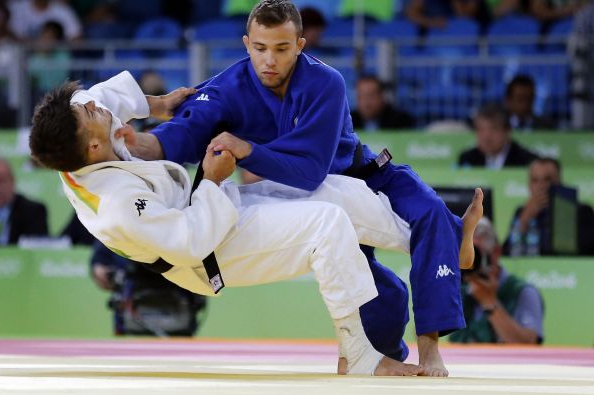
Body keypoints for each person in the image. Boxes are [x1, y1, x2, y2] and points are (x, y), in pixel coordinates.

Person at [118, 0, 483, 376]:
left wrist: (247, 150)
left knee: (430, 210)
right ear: (247, 44)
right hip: (307, 196)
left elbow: (310, 170)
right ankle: (374, 353)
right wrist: (135, 143)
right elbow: (181, 134)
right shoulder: (228, 87)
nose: (269, 60)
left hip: (365, 173)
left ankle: (430, 350)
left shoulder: (326, 82)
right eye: (260, 49)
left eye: (281, 49)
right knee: (385, 293)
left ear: (300, 45)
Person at [29, 71, 428, 376]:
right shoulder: (114, 206)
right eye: (89, 112)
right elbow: (190, 242)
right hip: (206, 256)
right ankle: (358, 355)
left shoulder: (80, 126)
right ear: (93, 147)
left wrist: (160, 104)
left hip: (202, 201)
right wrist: (214, 178)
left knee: (336, 192)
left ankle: (432, 241)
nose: (94, 106)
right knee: (326, 223)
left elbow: (101, 96)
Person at [450, 217, 544, 344]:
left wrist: (490, 303)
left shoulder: (522, 292)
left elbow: (529, 345)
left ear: (496, 252)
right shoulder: (457, 291)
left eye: (477, 254)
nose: (471, 262)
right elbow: (426, 335)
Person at [90, 240, 207, 337]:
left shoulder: (183, 225)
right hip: (130, 319)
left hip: (180, 316)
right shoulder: (118, 227)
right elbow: (99, 270)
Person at [502, 157, 594, 256]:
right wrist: (524, 221)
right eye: (535, 180)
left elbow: (586, 250)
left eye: (547, 179)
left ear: (559, 181)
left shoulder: (582, 211)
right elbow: (506, 254)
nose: (541, 186)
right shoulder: (522, 212)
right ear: (529, 185)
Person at [458, 103, 539, 169]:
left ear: (507, 131)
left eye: (493, 129)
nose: (486, 136)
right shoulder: (467, 159)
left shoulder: (528, 161)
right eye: (481, 129)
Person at [350, 75, 416, 132]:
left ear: (382, 96)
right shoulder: (348, 122)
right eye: (361, 96)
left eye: (370, 96)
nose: (366, 103)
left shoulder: (401, 121)